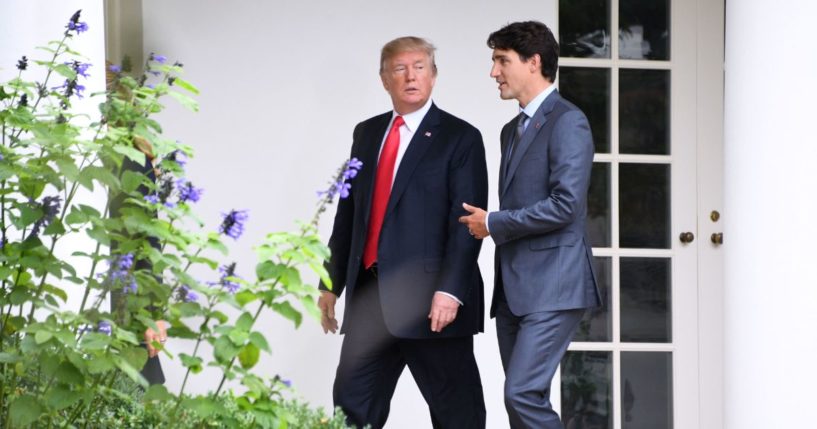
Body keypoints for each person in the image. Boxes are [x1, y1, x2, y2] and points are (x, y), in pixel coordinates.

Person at [319, 36, 488, 429]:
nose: (411, 76)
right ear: (384, 79)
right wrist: (330, 283)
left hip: (433, 303)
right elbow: (349, 214)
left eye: (420, 67)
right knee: (350, 408)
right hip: (369, 297)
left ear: (433, 75)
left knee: (456, 414)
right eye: (400, 68)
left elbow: (466, 224)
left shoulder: (460, 138)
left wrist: (450, 291)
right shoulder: (366, 133)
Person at [459, 21, 601, 429]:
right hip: (514, 289)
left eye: (501, 61)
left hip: (554, 286)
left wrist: (495, 223)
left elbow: (566, 205)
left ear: (533, 62)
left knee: (520, 393)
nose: (494, 72)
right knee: (523, 399)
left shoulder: (568, 121)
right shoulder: (511, 130)